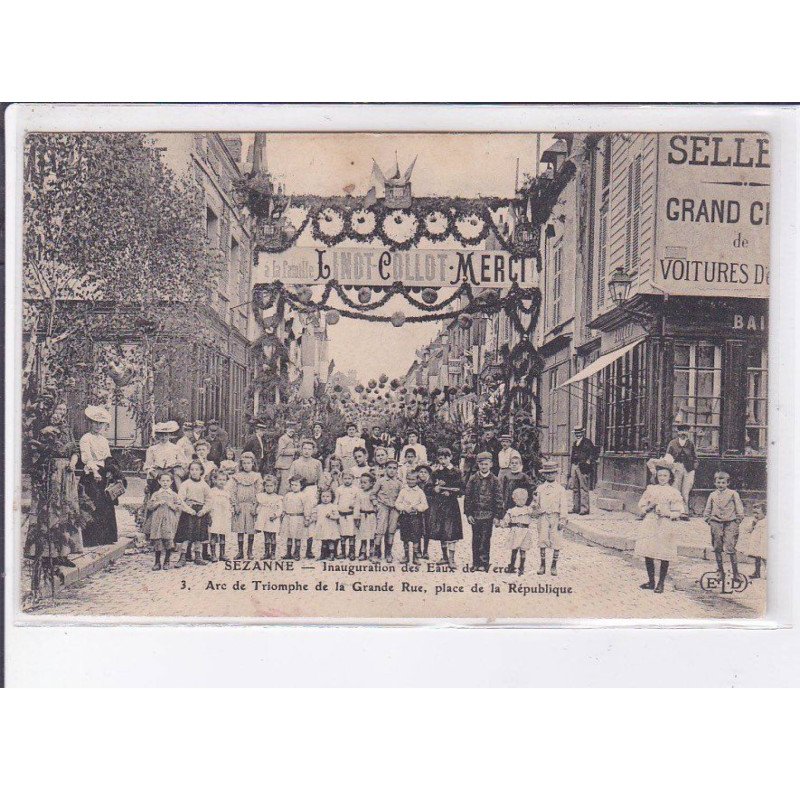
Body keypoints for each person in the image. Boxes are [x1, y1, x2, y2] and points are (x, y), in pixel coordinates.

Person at [78, 405, 126, 547]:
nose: (98, 426)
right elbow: (86, 458)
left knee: (106, 504)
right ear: (90, 423)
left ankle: (106, 538)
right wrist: (95, 471)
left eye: (101, 423)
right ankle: (91, 539)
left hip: (104, 474)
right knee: (93, 504)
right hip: (91, 475)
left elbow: (108, 457)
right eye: (95, 423)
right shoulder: (85, 438)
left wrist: (112, 470)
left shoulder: (103, 440)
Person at [635, 460, 684, 592]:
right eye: (660, 475)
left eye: (665, 476)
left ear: (670, 477)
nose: (662, 478)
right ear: (656, 476)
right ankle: (651, 581)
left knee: (664, 553)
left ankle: (661, 583)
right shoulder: (651, 489)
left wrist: (667, 513)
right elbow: (641, 506)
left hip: (665, 524)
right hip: (651, 522)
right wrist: (650, 506)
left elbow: (678, 511)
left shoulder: (673, 492)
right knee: (648, 551)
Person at [464, 451, 504, 571]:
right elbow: (467, 497)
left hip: (488, 515)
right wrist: (468, 514)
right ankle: (475, 563)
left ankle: (484, 563)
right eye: (481, 464)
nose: (483, 466)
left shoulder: (495, 480)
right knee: (475, 539)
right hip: (475, 515)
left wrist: (497, 516)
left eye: (486, 464)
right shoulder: (473, 479)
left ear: (491, 464)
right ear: (478, 465)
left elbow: (498, 499)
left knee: (485, 539)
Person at [703, 470, 745, 584]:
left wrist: (738, 520)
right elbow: (707, 509)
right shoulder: (712, 495)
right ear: (715, 483)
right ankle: (720, 572)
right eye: (718, 482)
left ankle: (736, 573)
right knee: (717, 547)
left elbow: (739, 509)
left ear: (727, 483)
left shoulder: (733, 493)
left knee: (730, 547)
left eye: (723, 482)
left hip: (730, 523)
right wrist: (708, 520)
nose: (720, 485)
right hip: (716, 523)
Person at [533, 462, 571, 576]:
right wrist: (535, 507)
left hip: (555, 516)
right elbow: (536, 503)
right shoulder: (540, 488)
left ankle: (554, 565)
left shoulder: (560, 489)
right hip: (543, 516)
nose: (549, 475)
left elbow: (563, 505)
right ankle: (542, 565)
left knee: (556, 540)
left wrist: (563, 519)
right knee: (543, 539)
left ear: (556, 474)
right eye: (547, 473)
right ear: (544, 475)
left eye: (552, 473)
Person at [429, 447, 463, 567]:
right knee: (441, 531)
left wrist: (451, 493)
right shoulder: (435, 473)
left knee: (452, 532)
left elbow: (461, 489)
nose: (443, 461)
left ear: (450, 458)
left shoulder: (457, 472)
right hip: (439, 505)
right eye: (440, 458)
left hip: (451, 506)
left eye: (445, 458)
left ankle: (452, 559)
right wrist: (435, 489)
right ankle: (444, 557)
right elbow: (428, 488)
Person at [174, 460, 212, 567]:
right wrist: (188, 510)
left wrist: (204, 510)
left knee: (198, 535)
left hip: (200, 512)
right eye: (192, 469)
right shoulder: (186, 484)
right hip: (189, 511)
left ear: (201, 471)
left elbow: (209, 500)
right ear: (189, 471)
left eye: (197, 469)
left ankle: (198, 556)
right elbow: (180, 499)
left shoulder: (204, 485)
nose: (194, 472)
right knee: (186, 535)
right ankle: (183, 557)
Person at [230, 451, 264, 560]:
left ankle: (250, 551)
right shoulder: (237, 476)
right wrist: (235, 504)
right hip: (240, 505)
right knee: (240, 529)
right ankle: (240, 551)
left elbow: (259, 492)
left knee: (250, 529)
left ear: (253, 463)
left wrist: (255, 505)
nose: (246, 465)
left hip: (251, 505)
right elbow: (233, 491)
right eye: (244, 463)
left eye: (248, 463)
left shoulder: (256, 476)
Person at [146, 471, 181, 570]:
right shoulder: (156, 494)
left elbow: (179, 507)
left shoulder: (174, 495)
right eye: (163, 481)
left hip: (169, 519)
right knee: (158, 540)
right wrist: (157, 503)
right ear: (159, 481)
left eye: (167, 481)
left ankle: (167, 561)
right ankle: (157, 562)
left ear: (171, 482)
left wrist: (172, 506)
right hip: (158, 520)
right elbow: (149, 507)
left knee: (168, 539)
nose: (165, 483)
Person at [395, 469, 429, 565]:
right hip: (405, 517)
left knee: (416, 537)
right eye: (409, 479)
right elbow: (397, 503)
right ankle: (406, 555)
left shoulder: (420, 492)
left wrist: (417, 508)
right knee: (405, 537)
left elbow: (425, 505)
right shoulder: (403, 491)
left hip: (416, 518)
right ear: (406, 479)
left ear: (417, 480)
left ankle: (415, 556)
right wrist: (404, 508)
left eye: (413, 479)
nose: (411, 481)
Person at [500, 487, 536, 575]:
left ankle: (521, 567)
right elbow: (506, 520)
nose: (521, 501)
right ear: (514, 499)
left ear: (527, 499)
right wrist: (502, 524)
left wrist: (535, 499)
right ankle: (512, 565)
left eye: (524, 499)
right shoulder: (512, 511)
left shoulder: (528, 509)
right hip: (515, 532)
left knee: (523, 551)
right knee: (514, 550)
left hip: (525, 532)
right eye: (518, 499)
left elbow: (535, 509)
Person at [664, 424, 698, 517]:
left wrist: (693, 468)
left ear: (688, 432)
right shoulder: (672, 443)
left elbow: (695, 457)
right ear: (678, 432)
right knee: (675, 489)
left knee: (685, 490)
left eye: (685, 431)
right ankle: (675, 511)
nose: (683, 433)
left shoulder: (690, 444)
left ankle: (684, 512)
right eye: (681, 430)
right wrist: (671, 467)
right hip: (676, 468)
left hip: (688, 469)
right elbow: (668, 456)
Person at [374, 459, 402, 563]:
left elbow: (401, 496)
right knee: (380, 530)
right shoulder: (380, 481)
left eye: (394, 468)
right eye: (389, 468)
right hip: (383, 507)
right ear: (385, 469)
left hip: (394, 509)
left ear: (397, 470)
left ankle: (388, 552)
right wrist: (376, 504)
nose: (392, 470)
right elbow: (373, 494)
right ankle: (376, 553)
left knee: (391, 530)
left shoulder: (399, 483)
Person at [206, 469, 233, 562]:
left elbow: (229, 504)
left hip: (224, 516)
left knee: (222, 535)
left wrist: (230, 512)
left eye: (224, 480)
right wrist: (209, 515)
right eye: (220, 479)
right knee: (213, 535)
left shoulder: (227, 492)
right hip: (215, 515)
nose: (222, 482)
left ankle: (222, 554)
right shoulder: (212, 491)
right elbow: (209, 504)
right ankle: (213, 554)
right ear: (215, 480)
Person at [255, 474, 283, 560]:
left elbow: (280, 508)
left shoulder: (277, 498)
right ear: (264, 486)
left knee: (273, 537)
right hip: (264, 519)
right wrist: (257, 515)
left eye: (271, 486)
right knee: (266, 537)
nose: (269, 488)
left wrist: (275, 515)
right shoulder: (261, 496)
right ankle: (266, 553)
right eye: (267, 486)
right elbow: (259, 507)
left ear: (275, 486)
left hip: (273, 519)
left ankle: (273, 553)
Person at [569, 426, 596, 515]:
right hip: (575, 466)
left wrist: (588, 463)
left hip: (583, 467)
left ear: (582, 433)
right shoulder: (574, 443)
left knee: (583, 487)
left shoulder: (587, 442)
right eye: (576, 433)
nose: (578, 434)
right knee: (575, 487)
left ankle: (584, 509)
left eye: (579, 433)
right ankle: (576, 507)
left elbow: (593, 454)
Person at [281, 475, 307, 561]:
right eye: (292, 485)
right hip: (288, 517)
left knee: (297, 536)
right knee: (288, 536)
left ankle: (297, 553)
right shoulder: (288, 495)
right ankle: (288, 553)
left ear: (301, 486)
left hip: (298, 518)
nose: (293, 487)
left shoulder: (303, 496)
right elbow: (284, 506)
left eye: (296, 485)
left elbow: (306, 508)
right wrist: (283, 514)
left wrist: (307, 518)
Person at [739, 501, 767, 579]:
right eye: (754, 513)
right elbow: (749, 530)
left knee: (765, 557)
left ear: (764, 513)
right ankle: (757, 572)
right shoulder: (754, 521)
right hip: (756, 543)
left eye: (758, 513)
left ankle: (767, 572)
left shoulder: (766, 522)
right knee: (757, 558)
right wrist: (753, 524)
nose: (756, 515)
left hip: (763, 542)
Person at [354, 472, 378, 561]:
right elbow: (357, 505)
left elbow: (377, 506)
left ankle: (372, 553)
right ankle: (363, 552)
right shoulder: (360, 493)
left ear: (371, 483)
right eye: (361, 482)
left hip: (372, 517)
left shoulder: (373, 494)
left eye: (365, 482)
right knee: (363, 535)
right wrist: (356, 517)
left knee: (372, 536)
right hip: (363, 516)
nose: (362, 485)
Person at [335, 469, 359, 560]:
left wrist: (356, 516)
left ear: (353, 479)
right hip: (341, 515)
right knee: (342, 534)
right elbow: (336, 502)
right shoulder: (339, 489)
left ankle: (352, 552)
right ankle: (343, 552)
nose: (347, 480)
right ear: (342, 479)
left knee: (351, 534)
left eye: (349, 478)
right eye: (345, 478)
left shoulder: (356, 489)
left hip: (351, 515)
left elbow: (357, 503)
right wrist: (336, 513)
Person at [314, 488, 340, 561]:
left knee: (331, 541)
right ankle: (323, 555)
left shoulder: (333, 506)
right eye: (323, 496)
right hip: (322, 526)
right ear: (320, 497)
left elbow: (337, 516)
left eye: (328, 496)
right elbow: (316, 515)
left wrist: (331, 516)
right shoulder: (318, 506)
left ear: (332, 497)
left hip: (330, 526)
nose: (325, 498)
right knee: (323, 541)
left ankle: (332, 555)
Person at [415, 463, 434, 560]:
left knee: (427, 528)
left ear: (428, 474)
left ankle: (425, 550)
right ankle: (417, 550)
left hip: (428, 509)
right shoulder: (415, 484)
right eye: (421, 472)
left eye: (425, 472)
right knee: (417, 528)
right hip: (418, 509)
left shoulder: (431, 484)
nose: (422, 474)